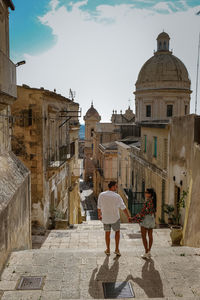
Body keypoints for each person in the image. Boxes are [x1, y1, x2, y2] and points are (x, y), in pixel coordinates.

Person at [97, 181, 131, 256]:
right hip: (115, 218)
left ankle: (108, 249)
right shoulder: (117, 196)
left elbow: (99, 207)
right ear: (112, 187)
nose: (116, 188)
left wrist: (99, 215)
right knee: (117, 232)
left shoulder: (101, 195)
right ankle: (116, 249)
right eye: (116, 186)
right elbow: (123, 208)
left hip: (105, 218)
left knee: (107, 233)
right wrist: (128, 216)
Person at [131, 188, 156, 259]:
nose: (145, 193)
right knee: (150, 235)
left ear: (150, 194)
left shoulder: (148, 202)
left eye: (146, 192)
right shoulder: (153, 201)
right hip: (152, 218)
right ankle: (149, 251)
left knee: (144, 236)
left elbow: (143, 212)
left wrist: (134, 218)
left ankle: (146, 252)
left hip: (146, 219)